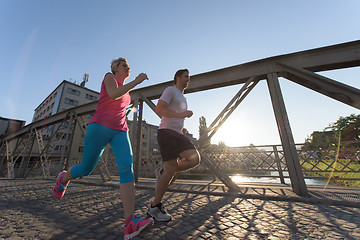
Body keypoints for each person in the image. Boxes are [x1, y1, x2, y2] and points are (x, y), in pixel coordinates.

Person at [52, 57, 153, 239]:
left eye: (128, 65)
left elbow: (120, 105)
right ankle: (64, 177)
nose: (127, 67)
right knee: (86, 168)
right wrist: (136, 81)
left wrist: (132, 109)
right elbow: (113, 94)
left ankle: (130, 223)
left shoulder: (128, 93)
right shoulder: (109, 77)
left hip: (120, 131)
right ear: (115, 68)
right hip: (99, 127)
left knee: (126, 168)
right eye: (124, 65)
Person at [147, 69, 201, 222]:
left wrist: (181, 127)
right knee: (172, 168)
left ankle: (164, 171)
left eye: (189, 77)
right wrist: (181, 115)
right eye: (186, 76)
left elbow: (175, 115)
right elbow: (160, 109)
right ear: (178, 77)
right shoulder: (170, 90)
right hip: (166, 132)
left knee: (195, 159)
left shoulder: (183, 97)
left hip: (177, 133)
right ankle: (154, 208)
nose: (188, 79)